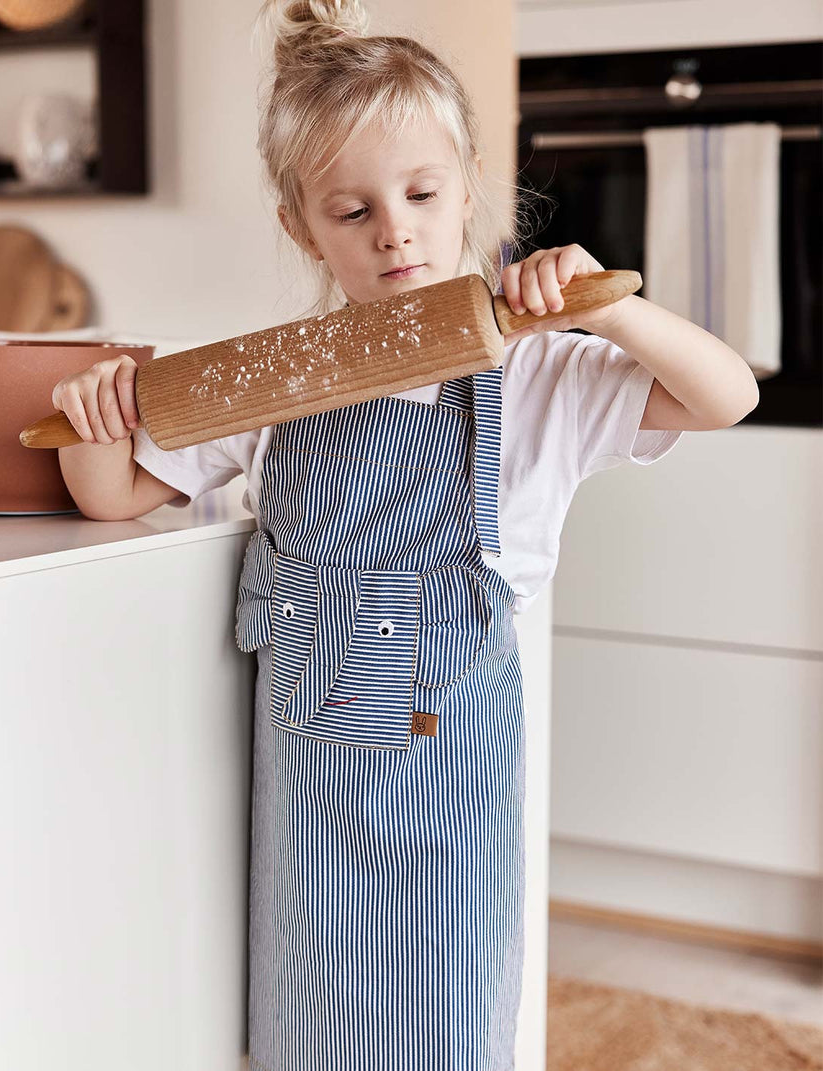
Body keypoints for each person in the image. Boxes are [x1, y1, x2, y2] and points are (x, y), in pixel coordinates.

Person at [52, 1, 759, 1067]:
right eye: (352, 210)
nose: (396, 231)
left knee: (447, 1020)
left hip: (454, 805)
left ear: (471, 182)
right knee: (313, 1023)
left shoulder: (537, 373)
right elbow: (111, 496)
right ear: (302, 227)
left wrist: (603, 310)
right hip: (312, 810)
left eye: (423, 194)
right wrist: (93, 415)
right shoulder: (282, 380)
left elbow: (726, 395)